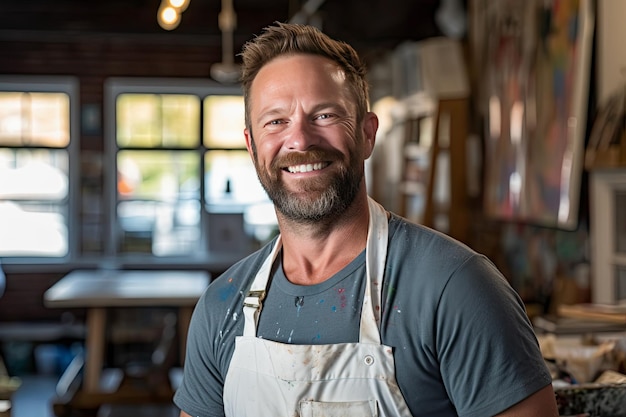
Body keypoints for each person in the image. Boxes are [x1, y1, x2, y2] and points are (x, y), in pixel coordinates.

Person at [174, 22, 559, 417]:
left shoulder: (455, 287)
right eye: (275, 121)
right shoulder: (222, 308)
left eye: (324, 115)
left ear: (367, 134)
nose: (300, 140)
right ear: (253, 146)